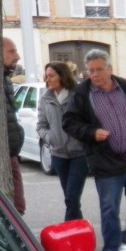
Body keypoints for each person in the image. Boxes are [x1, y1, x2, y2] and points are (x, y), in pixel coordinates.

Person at [62, 49, 126, 251]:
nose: (95, 75)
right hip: (105, 160)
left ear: (110, 69)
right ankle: (111, 249)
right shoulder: (81, 94)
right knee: (109, 208)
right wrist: (91, 133)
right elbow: (69, 123)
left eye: (99, 69)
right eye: (91, 71)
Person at [38, 62, 88, 221]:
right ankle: (78, 233)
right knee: (70, 199)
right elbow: (40, 126)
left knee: (72, 198)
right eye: (46, 76)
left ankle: (71, 234)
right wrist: (51, 137)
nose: (48, 79)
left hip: (79, 154)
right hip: (58, 155)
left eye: (51, 76)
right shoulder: (45, 98)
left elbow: (89, 122)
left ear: (63, 76)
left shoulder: (79, 95)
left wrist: (81, 138)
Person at [2, 38, 25, 214]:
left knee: (17, 209)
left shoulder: (5, 79)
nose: (17, 56)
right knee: (13, 211)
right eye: (11, 51)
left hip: (11, 154)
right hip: (3, 156)